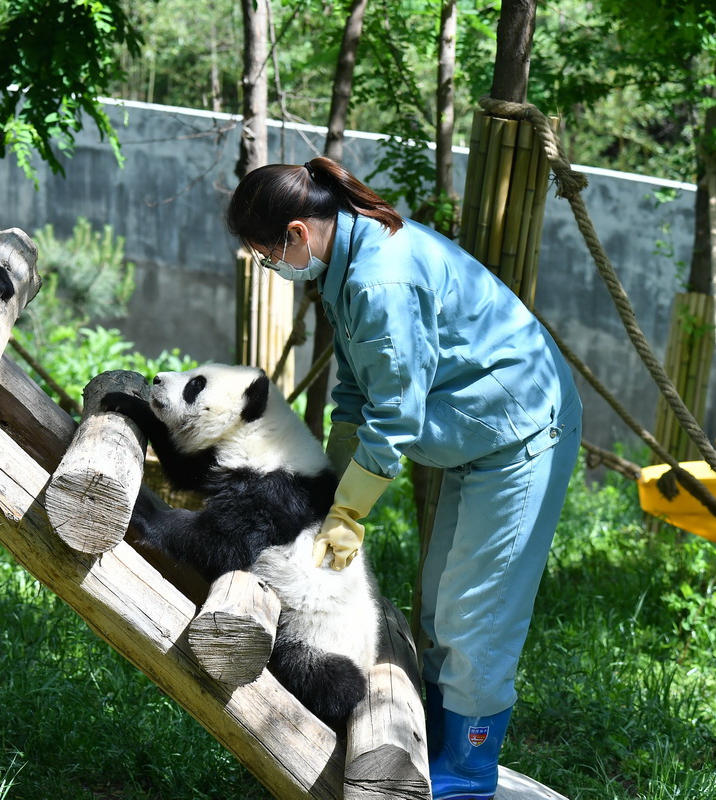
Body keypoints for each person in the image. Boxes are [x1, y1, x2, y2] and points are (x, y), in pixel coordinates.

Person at [225, 156, 581, 800]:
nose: (266, 266)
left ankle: (468, 772)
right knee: (441, 606)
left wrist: (348, 514)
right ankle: (443, 748)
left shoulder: (380, 282)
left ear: (299, 235)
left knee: (477, 612)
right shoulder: (347, 265)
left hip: (523, 429)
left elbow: (393, 421)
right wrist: (320, 495)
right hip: (477, 434)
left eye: (263, 253)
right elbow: (357, 393)